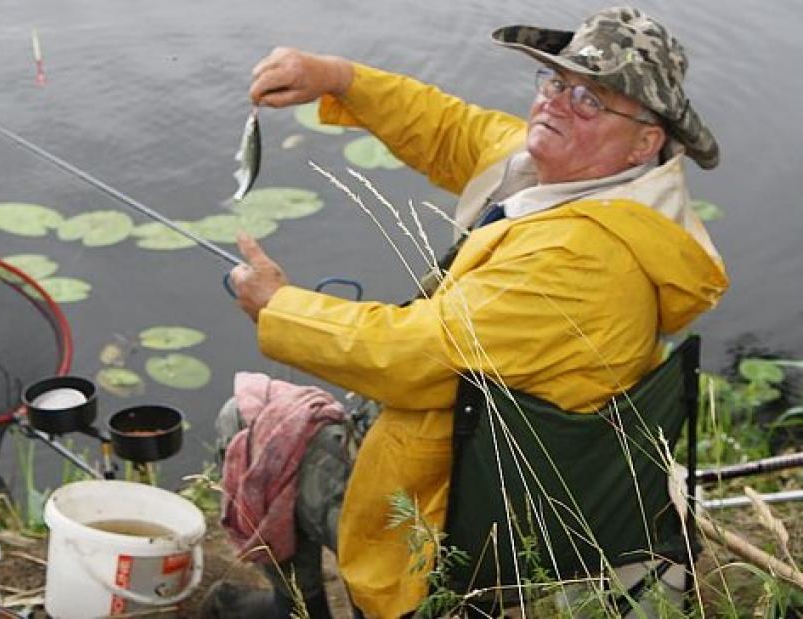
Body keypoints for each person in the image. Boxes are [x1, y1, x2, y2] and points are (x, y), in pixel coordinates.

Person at [219, 7, 729, 618]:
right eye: (557, 83)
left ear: (645, 141)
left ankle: (301, 609)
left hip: (458, 514)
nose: (559, 104)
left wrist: (280, 307)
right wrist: (339, 77)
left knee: (253, 421)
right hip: (510, 477)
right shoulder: (581, 182)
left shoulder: (583, 258)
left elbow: (410, 357)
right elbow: (451, 130)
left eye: (592, 100)